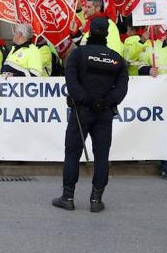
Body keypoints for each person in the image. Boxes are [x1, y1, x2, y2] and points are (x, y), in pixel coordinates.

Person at [53, 17, 128, 213]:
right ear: (107, 34)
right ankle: (96, 200)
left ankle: (67, 197)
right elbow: (122, 88)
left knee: (72, 153)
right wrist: (105, 102)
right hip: (104, 112)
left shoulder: (78, 54)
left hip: (81, 111)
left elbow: (71, 82)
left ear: (90, 32)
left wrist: (86, 100)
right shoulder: (116, 59)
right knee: (102, 156)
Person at [138, 20, 167, 180]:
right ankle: (145, 156)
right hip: (155, 96)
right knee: (151, 127)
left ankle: (166, 167)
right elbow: (139, 65)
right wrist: (147, 70)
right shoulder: (154, 46)